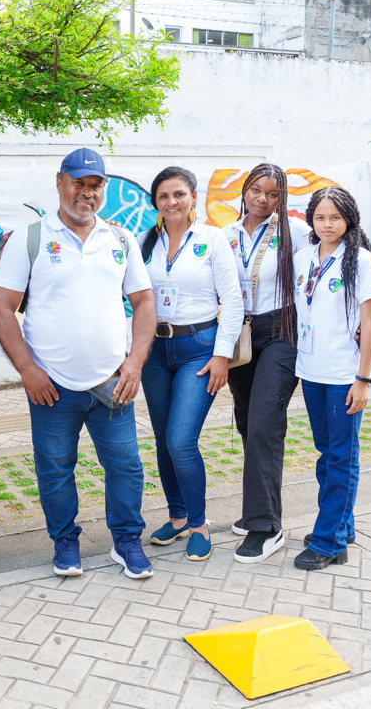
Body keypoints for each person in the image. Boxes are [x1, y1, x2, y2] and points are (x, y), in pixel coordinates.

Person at [0, 148, 158, 580]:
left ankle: (126, 541)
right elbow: (3, 309)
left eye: (95, 185)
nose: (87, 192)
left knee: (125, 466)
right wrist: (28, 370)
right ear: (60, 182)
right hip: (52, 386)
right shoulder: (29, 239)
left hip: (111, 382)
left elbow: (143, 302)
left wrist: (135, 362)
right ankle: (65, 542)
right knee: (54, 469)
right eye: (79, 183)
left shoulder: (120, 240)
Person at [139, 167, 243, 561]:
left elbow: (232, 301)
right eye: (164, 196)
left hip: (199, 348)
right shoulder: (144, 242)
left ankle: (199, 524)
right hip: (154, 351)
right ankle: (178, 517)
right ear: (156, 202)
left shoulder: (213, 239)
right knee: (164, 440)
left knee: (181, 441)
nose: (172, 202)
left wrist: (221, 355)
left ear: (194, 197)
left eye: (179, 194)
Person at [223, 164, 313, 564]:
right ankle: (258, 507)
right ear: (245, 190)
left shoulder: (293, 235)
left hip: (281, 332)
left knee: (264, 422)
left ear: (283, 198)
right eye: (257, 190)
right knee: (246, 420)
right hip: (239, 335)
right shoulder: (223, 235)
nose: (263, 199)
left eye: (273, 194)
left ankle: (266, 526)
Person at [292, 186, 371, 572]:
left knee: (341, 455)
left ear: (348, 220)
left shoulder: (360, 260)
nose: (327, 224)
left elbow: (370, 324)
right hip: (310, 371)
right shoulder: (301, 258)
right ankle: (341, 527)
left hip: (345, 374)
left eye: (335, 217)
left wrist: (363, 378)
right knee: (327, 452)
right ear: (311, 220)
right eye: (320, 217)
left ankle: (328, 540)